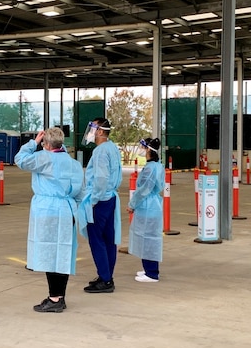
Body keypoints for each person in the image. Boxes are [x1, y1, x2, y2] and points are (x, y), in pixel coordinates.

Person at [14, 127, 84, 312]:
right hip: (68, 209)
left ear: (46, 143)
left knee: (49, 253)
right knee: (63, 252)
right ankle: (60, 295)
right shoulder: (74, 164)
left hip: (48, 210)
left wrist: (33, 142)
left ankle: (54, 298)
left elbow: (19, 160)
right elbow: (81, 192)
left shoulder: (44, 158)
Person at [80, 117, 122, 293]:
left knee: (97, 240)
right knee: (108, 240)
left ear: (100, 131)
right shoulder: (112, 147)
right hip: (110, 198)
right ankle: (106, 275)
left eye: (92, 128)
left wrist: (94, 199)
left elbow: (101, 178)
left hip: (100, 200)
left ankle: (105, 280)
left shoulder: (100, 152)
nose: (90, 132)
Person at [127, 138, 164, 283]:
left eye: (143, 147)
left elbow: (143, 190)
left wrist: (132, 204)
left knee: (148, 239)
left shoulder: (150, 168)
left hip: (148, 206)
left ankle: (152, 273)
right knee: (147, 238)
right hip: (151, 205)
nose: (141, 149)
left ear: (149, 149)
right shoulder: (156, 166)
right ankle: (149, 269)